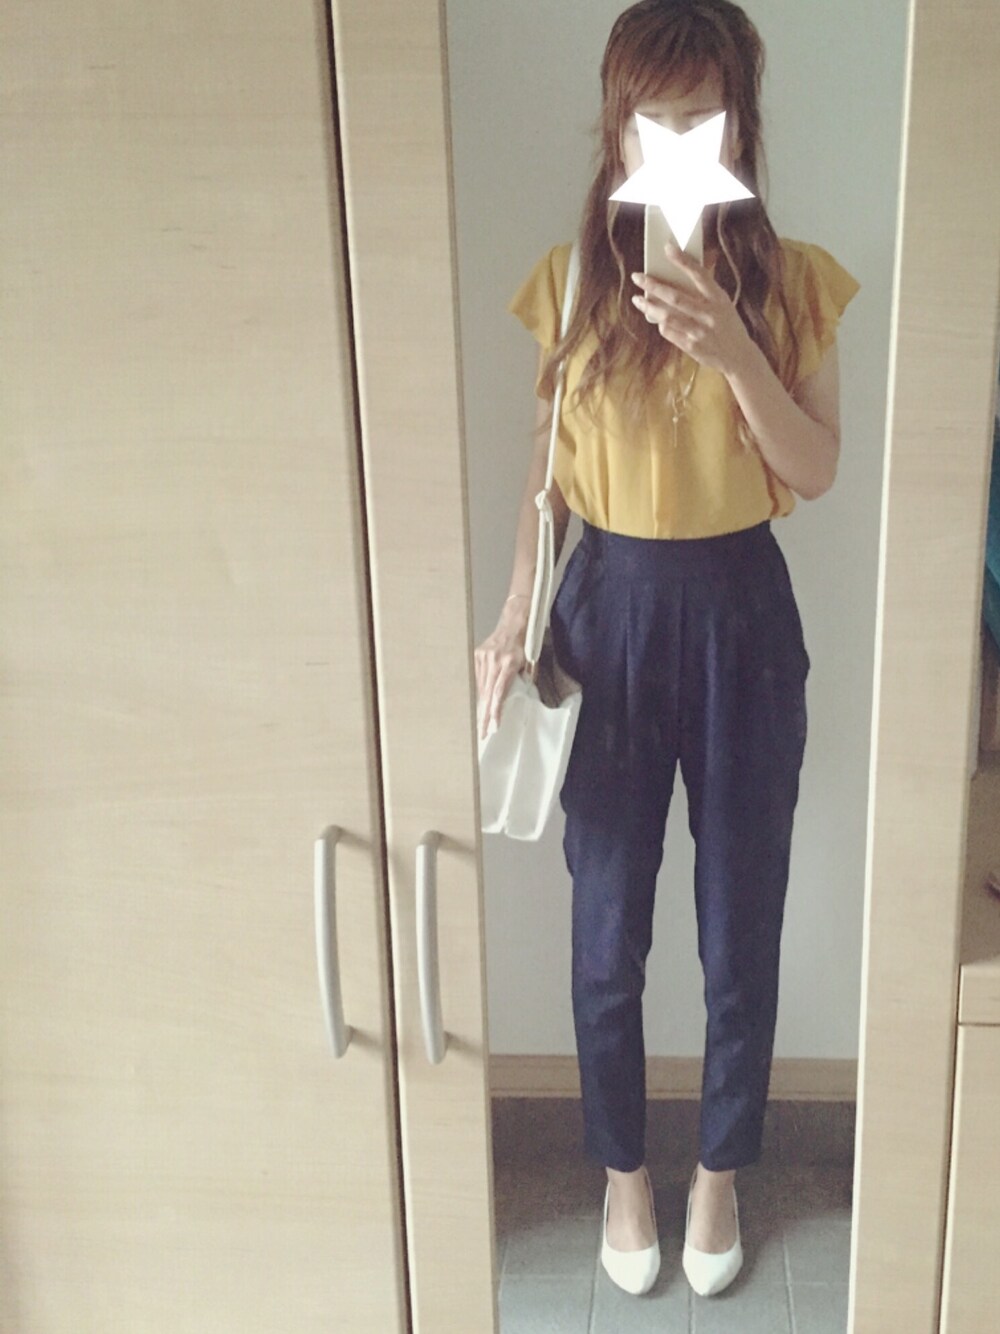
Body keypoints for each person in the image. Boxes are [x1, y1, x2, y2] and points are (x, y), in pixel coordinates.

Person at [473, 0, 859, 1299]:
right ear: (618, 126)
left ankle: (721, 1172)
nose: (678, 135)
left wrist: (738, 351)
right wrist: (512, 618)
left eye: (704, 114)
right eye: (653, 116)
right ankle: (624, 1174)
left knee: (741, 918)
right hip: (608, 615)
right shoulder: (573, 283)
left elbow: (816, 466)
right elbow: (546, 488)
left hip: (743, 610)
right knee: (605, 925)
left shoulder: (794, 281)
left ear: (740, 126)